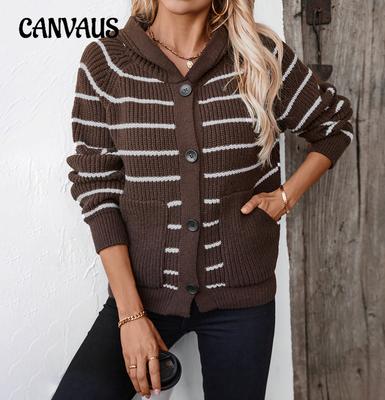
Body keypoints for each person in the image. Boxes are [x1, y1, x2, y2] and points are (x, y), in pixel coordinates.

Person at [52, 0, 354, 399]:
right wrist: (130, 315)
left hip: (241, 298)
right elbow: (97, 188)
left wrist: (285, 196)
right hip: (141, 294)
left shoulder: (260, 56)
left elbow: (334, 125)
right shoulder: (107, 62)